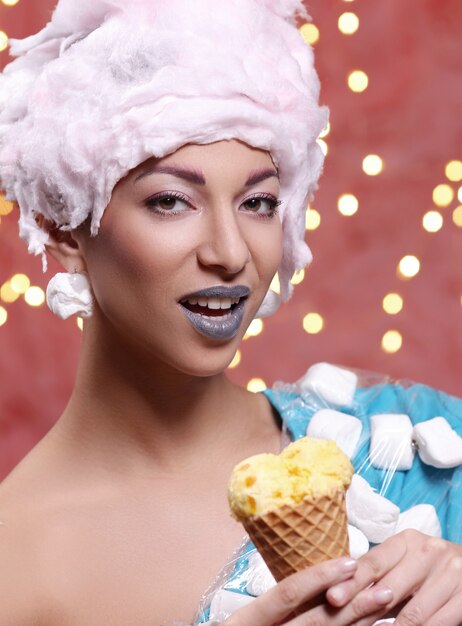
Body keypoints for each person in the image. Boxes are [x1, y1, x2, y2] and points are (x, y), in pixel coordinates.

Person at [0, 0, 461, 624]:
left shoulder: (415, 447)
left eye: (259, 202)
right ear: (63, 227)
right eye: (170, 201)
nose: (230, 252)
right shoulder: (16, 562)